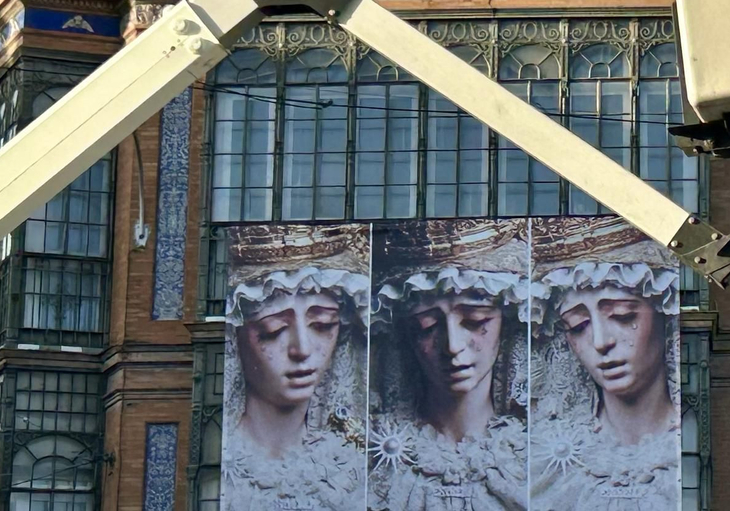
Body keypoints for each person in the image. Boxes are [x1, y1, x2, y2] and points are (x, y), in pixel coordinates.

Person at [368, 219, 535, 511]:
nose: (452, 346)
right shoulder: (378, 458)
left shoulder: (532, 456)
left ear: (505, 325)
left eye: (475, 322)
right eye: (427, 326)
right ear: (407, 334)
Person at [529, 218, 682, 511]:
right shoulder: (547, 458)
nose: (600, 342)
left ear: (664, 314)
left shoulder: (690, 443)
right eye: (578, 326)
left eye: (623, 316)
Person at [222, 225, 370, 511]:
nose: (302, 350)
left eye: (322, 326)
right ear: (236, 338)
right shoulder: (223, 459)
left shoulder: (353, 462)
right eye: (273, 330)